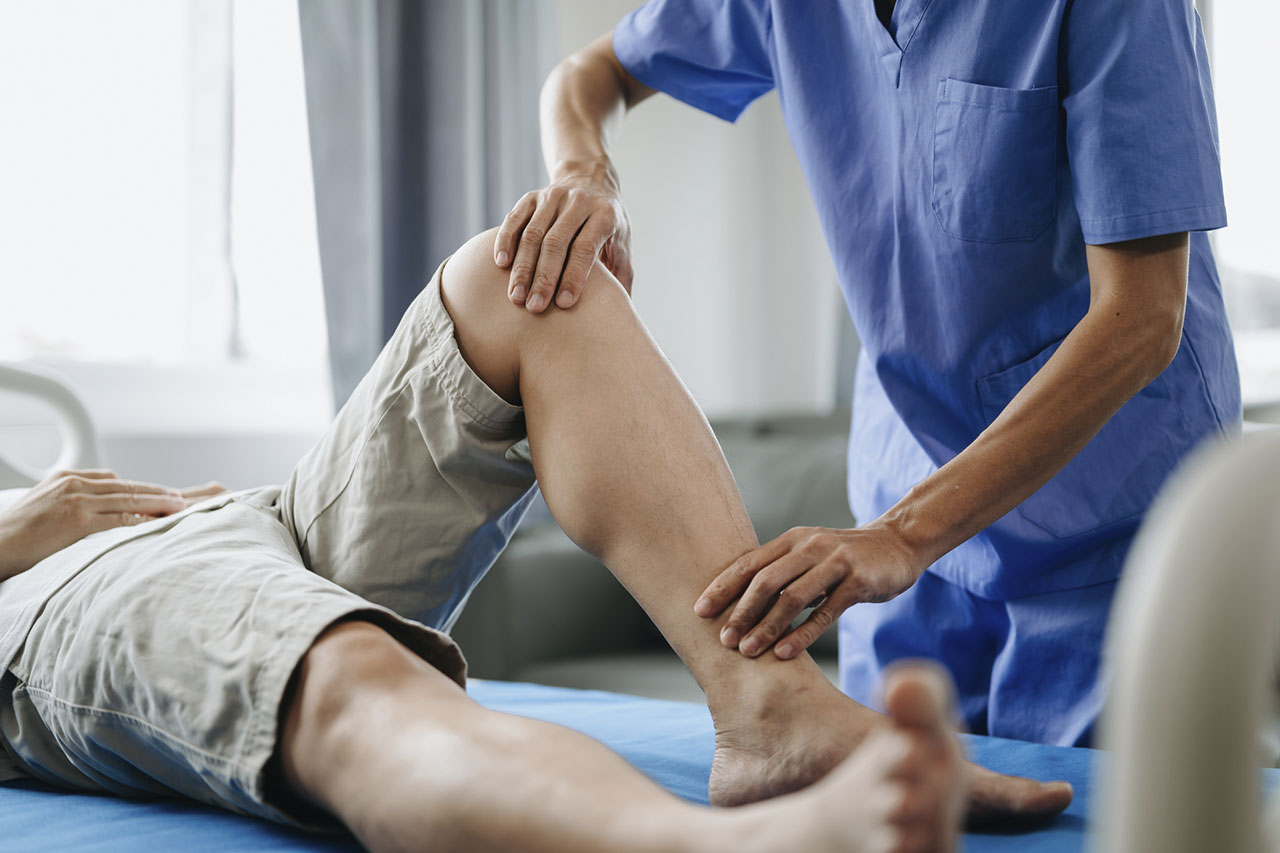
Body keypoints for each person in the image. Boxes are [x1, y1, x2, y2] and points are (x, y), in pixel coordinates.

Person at [0, 232, 1072, 852]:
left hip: (243, 517)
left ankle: (768, 709)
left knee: (517, 277)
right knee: (342, 672)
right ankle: (711, 846)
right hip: (50, 589)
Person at [495, 0, 1240, 747]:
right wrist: (585, 173)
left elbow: (1144, 318)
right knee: (892, 811)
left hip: (1114, 525)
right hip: (909, 497)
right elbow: (589, 75)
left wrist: (903, 535)